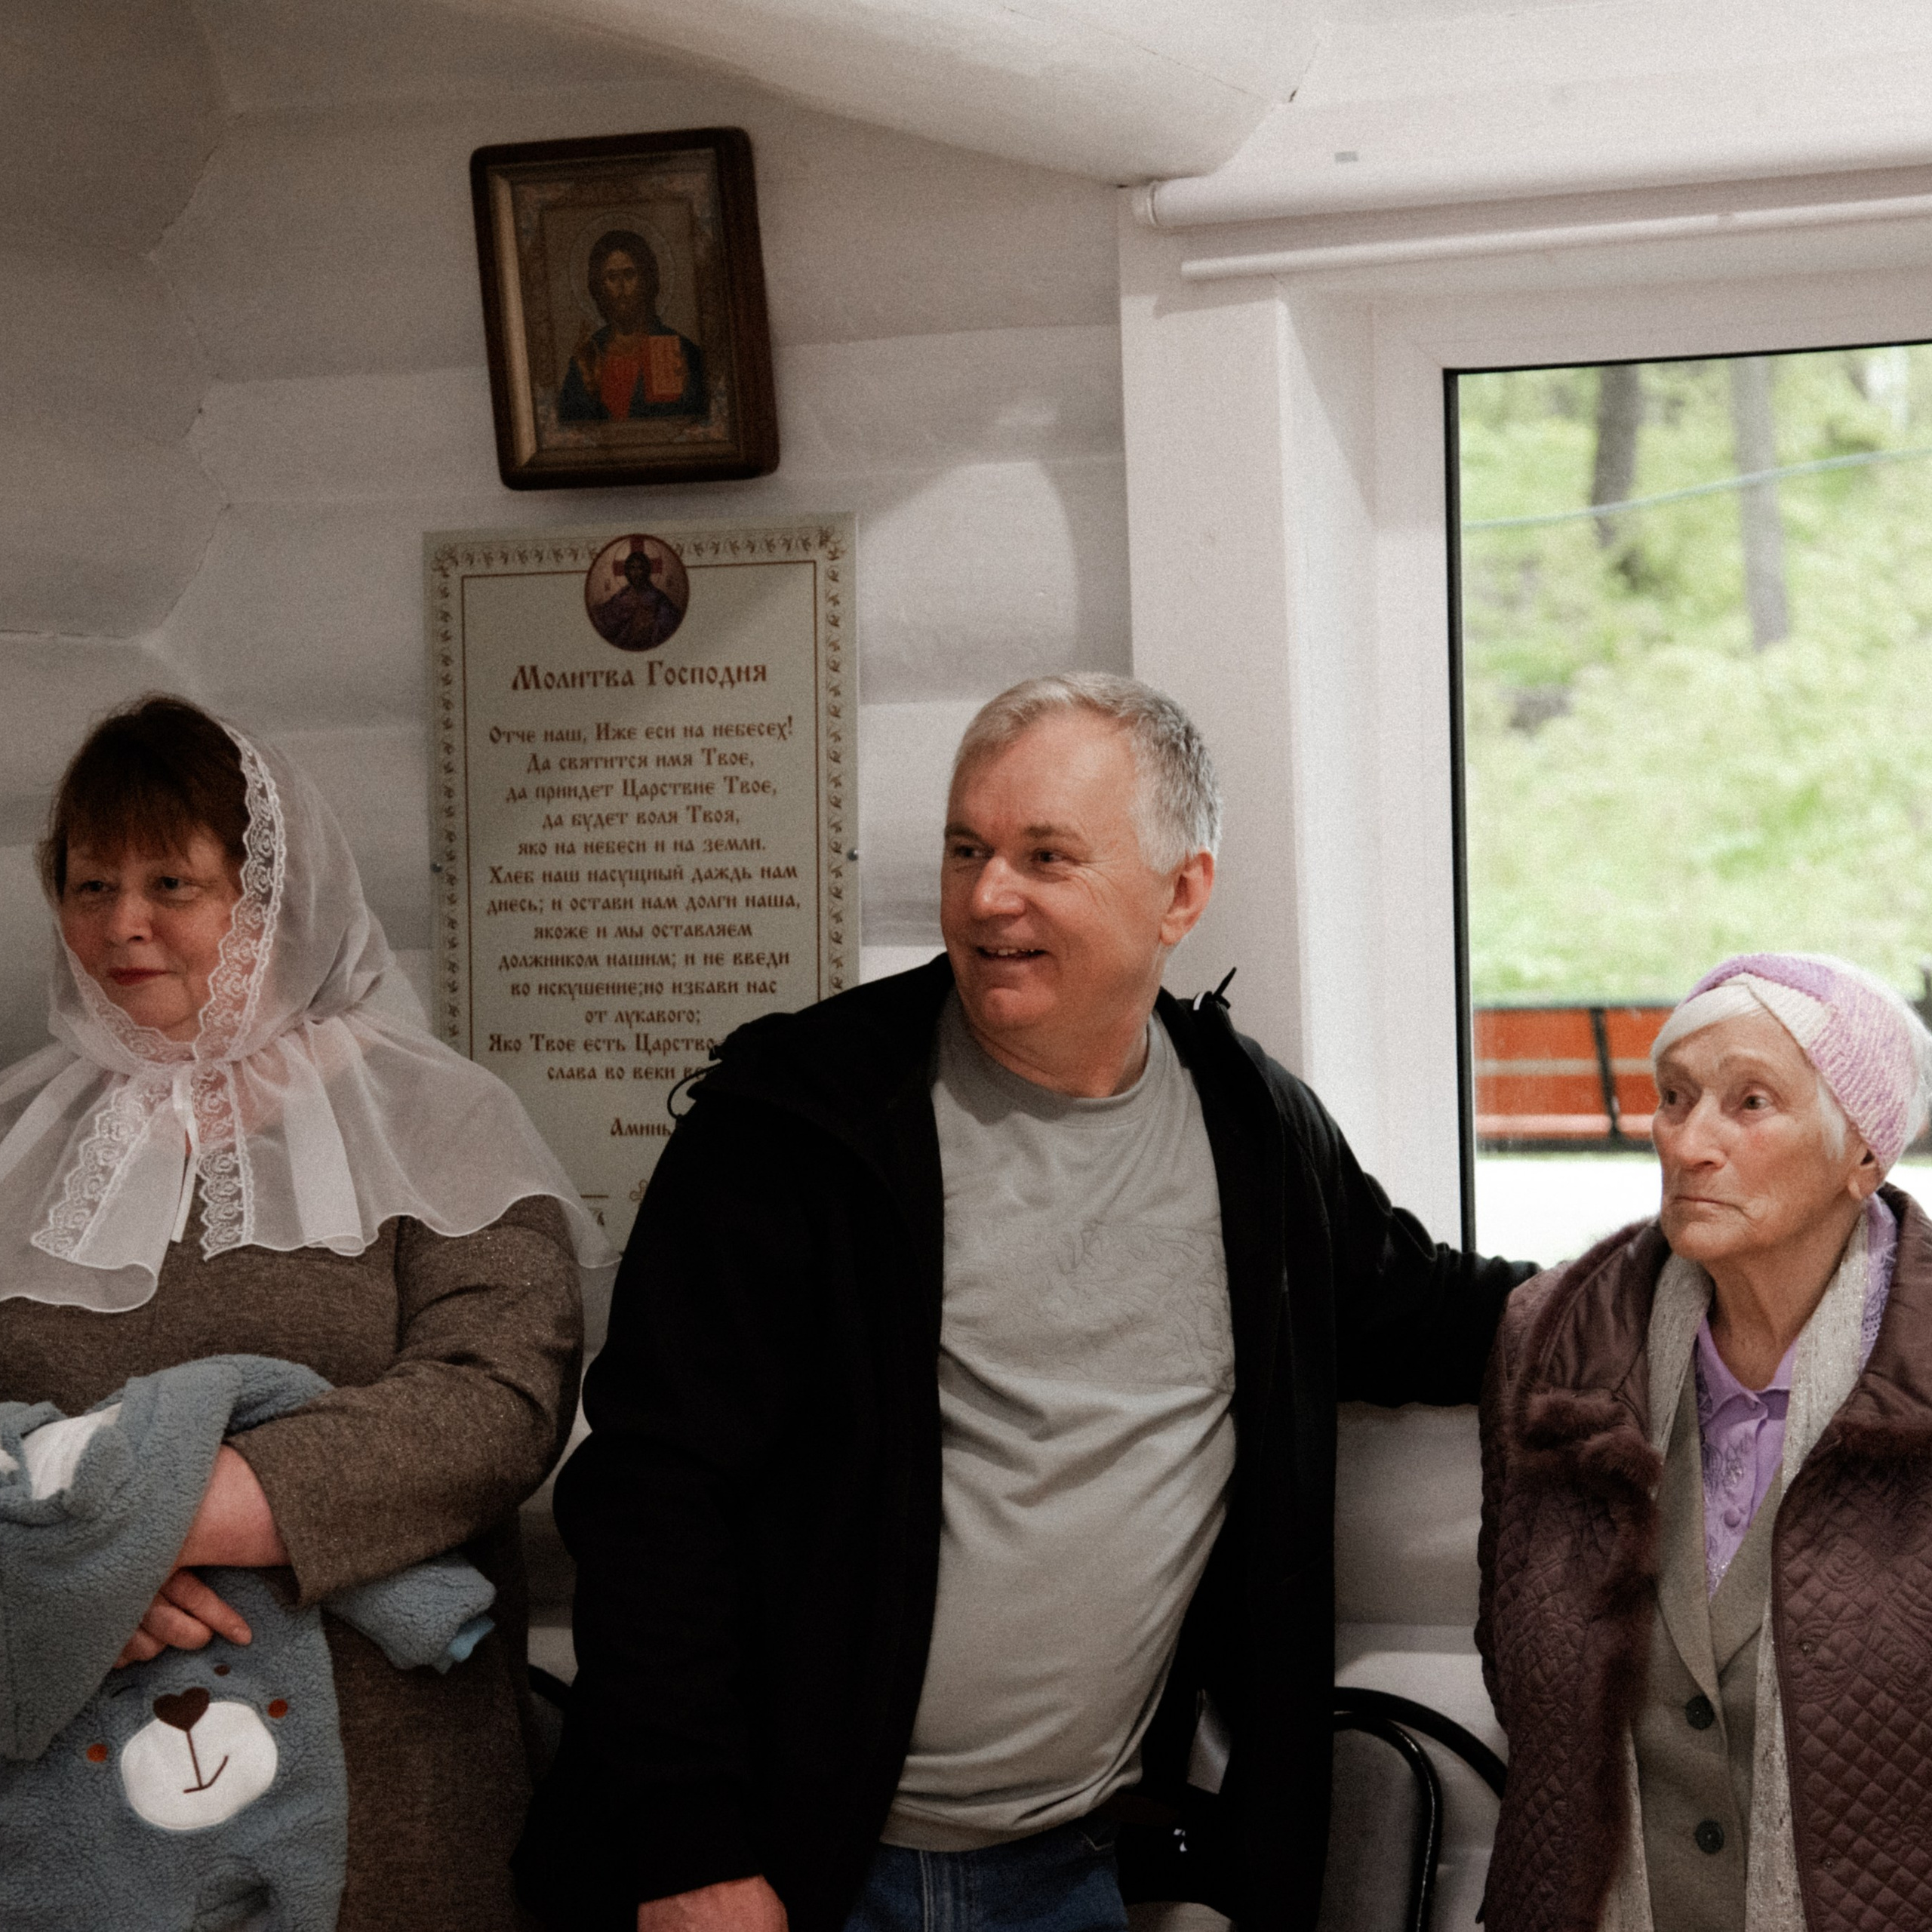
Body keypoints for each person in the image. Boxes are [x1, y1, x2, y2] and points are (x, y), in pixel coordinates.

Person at [515, 672, 1532, 1932]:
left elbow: (1433, 1310)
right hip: (785, 1873)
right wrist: (689, 1854)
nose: (991, 896)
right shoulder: (798, 1126)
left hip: (1080, 1873)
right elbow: (651, 1505)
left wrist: (1713, 1284)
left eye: (1047, 856)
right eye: (968, 849)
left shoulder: (1252, 1132)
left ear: (1182, 893)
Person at [0, 696, 613, 1931]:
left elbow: (494, 1402)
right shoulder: (16, 1136)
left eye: (172, 881)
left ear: (271, 895)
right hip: (71, 1802)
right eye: (89, 881)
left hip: (394, 1796)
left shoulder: (435, 1112)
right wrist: (57, 1563)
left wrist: (131, 1528)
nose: (122, 923)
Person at [1477, 952, 1932, 1932]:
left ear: (1865, 1154)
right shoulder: (1549, 1341)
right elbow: (1516, 1665)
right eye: (1675, 1099)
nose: (1689, 1143)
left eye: (1750, 1102)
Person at [557, 228, 706, 423]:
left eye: (629, 275)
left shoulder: (678, 349)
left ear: (646, 280)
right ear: (599, 287)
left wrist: (687, 390)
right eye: (611, 277)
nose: (621, 286)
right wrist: (589, 391)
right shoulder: (589, 355)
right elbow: (569, 428)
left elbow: (695, 423)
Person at [592, 545, 685, 651]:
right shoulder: (622, 595)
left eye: (640, 568)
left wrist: (651, 622)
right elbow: (606, 615)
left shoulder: (658, 597)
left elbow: (671, 621)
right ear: (627, 572)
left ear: (647, 571)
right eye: (632, 568)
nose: (636, 573)